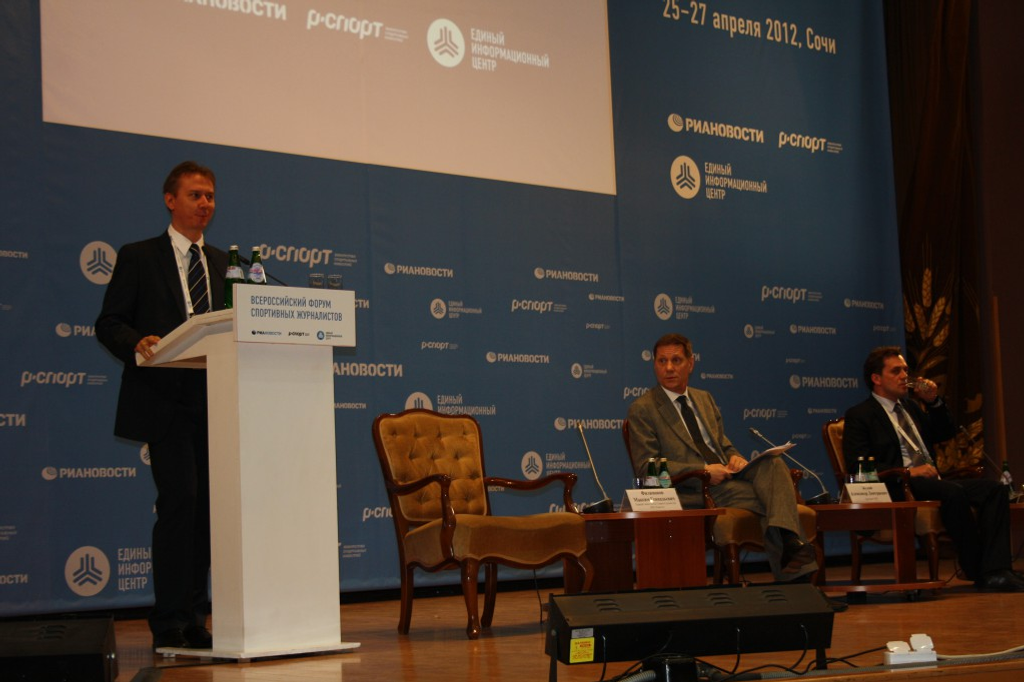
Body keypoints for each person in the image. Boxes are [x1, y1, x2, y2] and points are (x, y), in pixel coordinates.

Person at [96, 161, 228, 649]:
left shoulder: (223, 263)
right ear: (170, 200)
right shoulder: (139, 257)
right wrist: (137, 342)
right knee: (180, 503)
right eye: (195, 194)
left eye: (210, 195)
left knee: (207, 510)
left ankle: (195, 617)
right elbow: (109, 322)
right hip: (164, 400)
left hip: (216, 401)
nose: (205, 203)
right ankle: (169, 619)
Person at [627, 333, 818, 582]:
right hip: (694, 488)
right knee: (776, 498)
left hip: (729, 477)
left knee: (773, 463)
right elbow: (647, 467)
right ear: (654, 365)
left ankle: (791, 550)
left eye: (676, 360)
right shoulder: (644, 408)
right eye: (662, 361)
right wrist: (704, 470)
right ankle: (796, 569)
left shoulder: (704, 398)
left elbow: (723, 445)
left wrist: (735, 457)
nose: (669, 368)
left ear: (691, 363)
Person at [843, 346, 1024, 591]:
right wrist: (909, 472)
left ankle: (998, 570)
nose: (904, 376)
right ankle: (978, 570)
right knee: (952, 492)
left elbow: (945, 433)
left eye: (905, 370)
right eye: (896, 371)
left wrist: (934, 402)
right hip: (898, 484)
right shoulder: (861, 415)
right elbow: (858, 464)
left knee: (995, 490)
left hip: (932, 481)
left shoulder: (911, 408)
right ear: (876, 378)